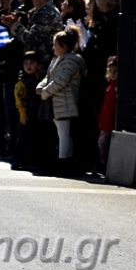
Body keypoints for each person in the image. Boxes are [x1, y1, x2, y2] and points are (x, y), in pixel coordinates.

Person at [36, 27, 86, 172]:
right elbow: (48, 77)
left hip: (65, 102)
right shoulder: (56, 60)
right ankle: (65, 160)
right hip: (57, 102)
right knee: (63, 133)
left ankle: (63, 161)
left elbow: (60, 81)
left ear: (63, 47)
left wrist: (44, 92)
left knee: (64, 133)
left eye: (55, 45)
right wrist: (41, 86)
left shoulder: (71, 61)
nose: (53, 47)